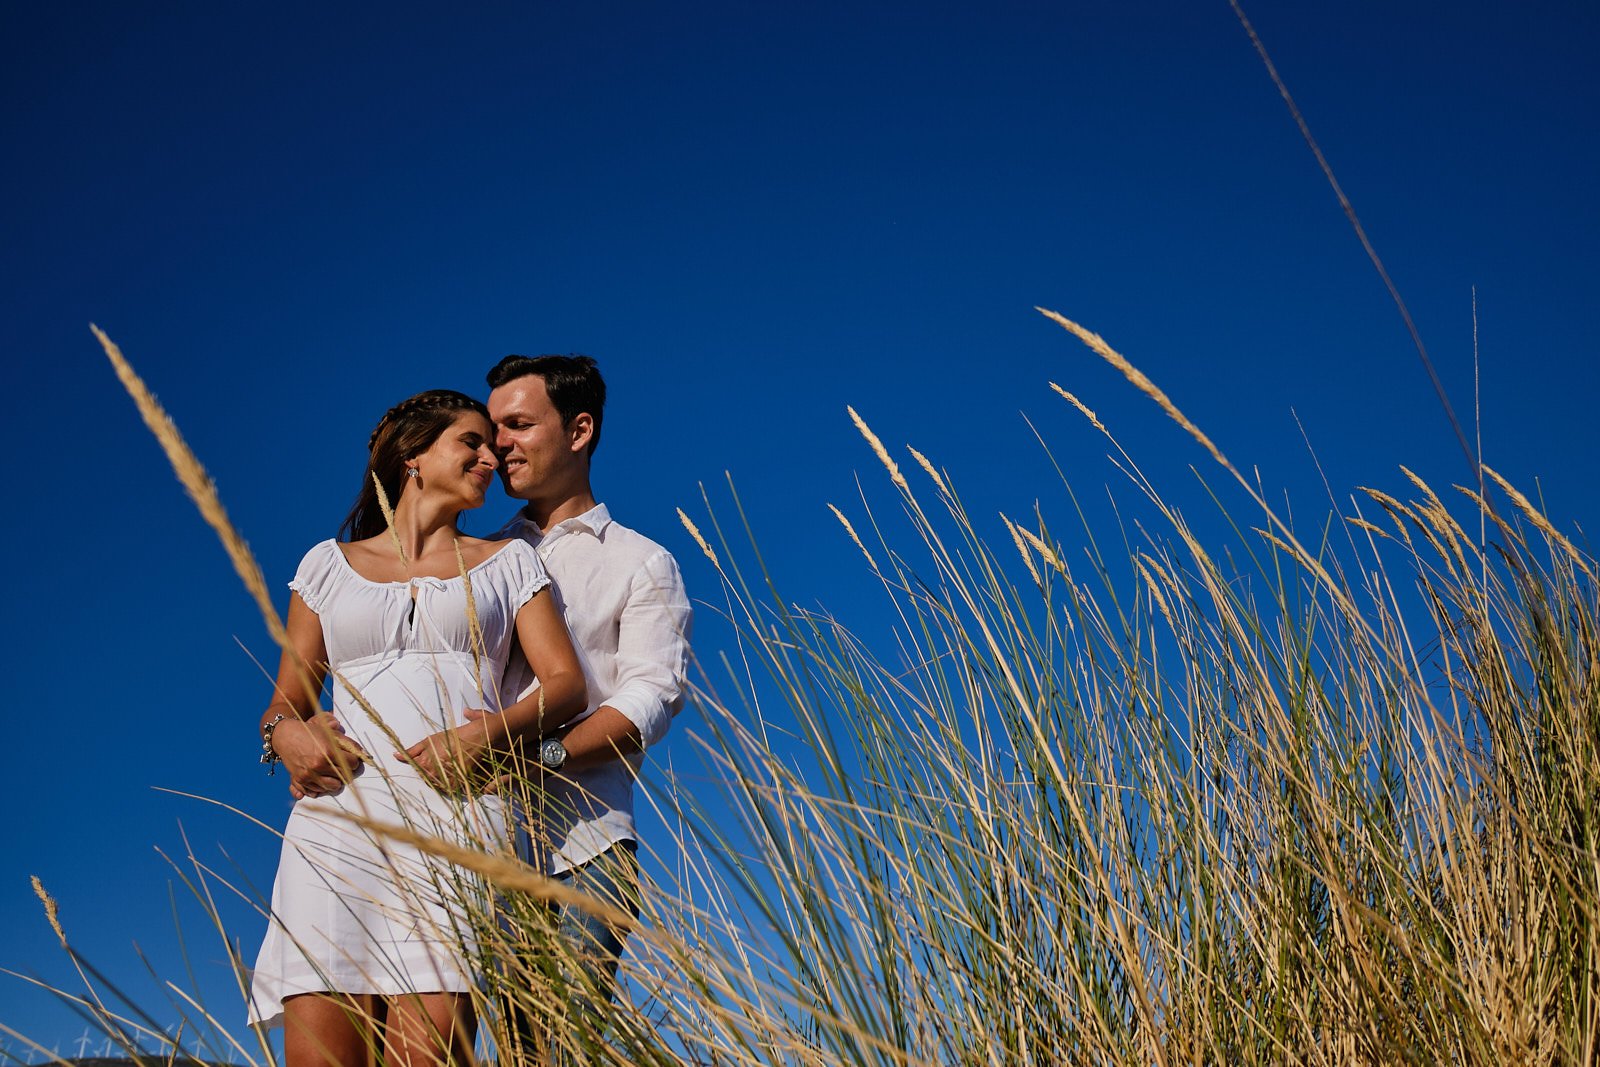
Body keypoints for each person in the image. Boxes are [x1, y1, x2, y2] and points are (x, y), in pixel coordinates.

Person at [247, 389, 588, 1067]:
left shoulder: (508, 562)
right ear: (412, 456)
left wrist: (491, 732)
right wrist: (285, 736)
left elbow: (565, 684)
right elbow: (285, 697)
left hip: (457, 823)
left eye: (493, 444)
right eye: (472, 442)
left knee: (427, 1056)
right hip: (335, 825)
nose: (493, 457)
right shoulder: (327, 565)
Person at [470, 354, 691, 1048]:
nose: (499, 442)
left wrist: (543, 754)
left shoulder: (639, 560)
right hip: (473, 842)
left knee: (560, 1050)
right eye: (491, 427)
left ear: (579, 429)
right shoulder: (472, 556)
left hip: (585, 848)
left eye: (519, 424)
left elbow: (652, 695)